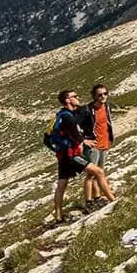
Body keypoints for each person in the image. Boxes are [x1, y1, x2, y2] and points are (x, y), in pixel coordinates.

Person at [48, 89, 112, 222]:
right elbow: (75, 134)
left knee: (62, 184)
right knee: (99, 172)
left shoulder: (60, 115)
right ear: (67, 100)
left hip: (62, 155)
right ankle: (114, 201)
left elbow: (47, 137)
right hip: (72, 155)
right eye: (74, 96)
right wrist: (84, 141)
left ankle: (58, 216)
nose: (78, 97)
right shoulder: (68, 117)